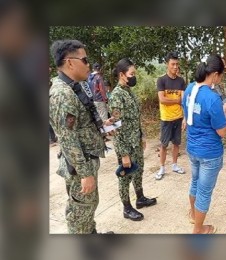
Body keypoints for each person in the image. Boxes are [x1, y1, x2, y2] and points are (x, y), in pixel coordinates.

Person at [49, 39, 114, 234]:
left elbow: (79, 124)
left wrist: (103, 125)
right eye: (84, 60)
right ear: (70, 62)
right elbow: (67, 138)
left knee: (87, 207)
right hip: (80, 166)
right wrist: (85, 174)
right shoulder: (62, 94)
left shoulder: (74, 86)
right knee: (80, 214)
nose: (88, 65)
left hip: (85, 160)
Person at [183, 54, 226, 234]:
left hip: (192, 148)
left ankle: (194, 215)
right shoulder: (213, 98)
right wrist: (224, 111)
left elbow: (187, 114)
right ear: (215, 74)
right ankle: (198, 230)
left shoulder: (189, 89)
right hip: (209, 152)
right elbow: (222, 131)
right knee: (204, 191)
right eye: (221, 75)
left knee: (195, 182)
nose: (221, 79)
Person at [109, 58, 157, 221]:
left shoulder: (129, 92)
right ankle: (127, 208)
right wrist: (123, 154)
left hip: (135, 141)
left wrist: (142, 136)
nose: (134, 76)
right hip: (125, 144)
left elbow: (136, 118)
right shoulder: (116, 96)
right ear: (122, 75)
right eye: (132, 74)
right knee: (125, 176)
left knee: (139, 170)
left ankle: (140, 198)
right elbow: (113, 128)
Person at [155, 51, 186, 180]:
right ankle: (162, 167)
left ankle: (174, 165)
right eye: (172, 64)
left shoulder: (181, 81)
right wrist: (177, 101)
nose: (175, 67)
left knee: (177, 143)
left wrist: (185, 117)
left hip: (178, 117)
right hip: (166, 118)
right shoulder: (161, 80)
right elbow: (162, 100)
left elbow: (183, 100)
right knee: (164, 144)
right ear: (167, 64)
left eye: (177, 64)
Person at [211, 59, 226, 151]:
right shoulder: (216, 75)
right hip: (219, 101)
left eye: (224, 63)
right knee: (218, 122)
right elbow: (214, 90)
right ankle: (220, 141)